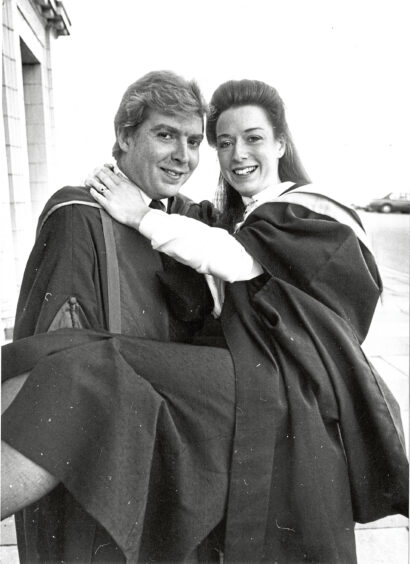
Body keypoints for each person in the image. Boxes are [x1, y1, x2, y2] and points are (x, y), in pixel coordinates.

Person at [2, 78, 408, 563]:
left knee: (82, 373)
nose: (236, 153)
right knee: (65, 369)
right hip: (255, 377)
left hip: (279, 381)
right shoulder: (233, 216)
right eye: (223, 142)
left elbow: (235, 259)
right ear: (125, 136)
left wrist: (140, 215)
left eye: (252, 138)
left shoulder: (307, 211)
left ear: (281, 143)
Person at [1, 70, 221, 563]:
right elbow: (64, 362)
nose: (182, 156)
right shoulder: (79, 216)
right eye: (165, 134)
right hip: (103, 461)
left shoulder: (182, 221)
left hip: (168, 451)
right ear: (124, 136)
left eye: (193, 141)